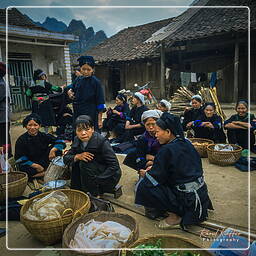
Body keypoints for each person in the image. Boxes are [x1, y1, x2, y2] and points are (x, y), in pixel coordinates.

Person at [135, 112, 213, 228]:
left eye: (157, 132)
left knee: (144, 185)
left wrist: (146, 173)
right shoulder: (185, 142)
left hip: (187, 198)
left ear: (168, 132)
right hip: (199, 193)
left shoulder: (166, 150)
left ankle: (174, 216)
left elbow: (156, 177)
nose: (155, 135)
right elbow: (180, 168)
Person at [63, 115, 121, 197]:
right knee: (76, 161)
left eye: (87, 129)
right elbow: (66, 158)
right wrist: (77, 156)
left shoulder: (102, 142)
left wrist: (97, 180)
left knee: (85, 163)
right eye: (79, 130)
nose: (83, 133)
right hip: (91, 173)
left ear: (92, 129)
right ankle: (78, 190)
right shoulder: (77, 140)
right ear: (75, 131)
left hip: (108, 177)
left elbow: (114, 166)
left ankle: (94, 195)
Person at [15, 114, 66, 178]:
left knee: (58, 151)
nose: (32, 128)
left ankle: (42, 172)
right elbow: (19, 158)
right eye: (30, 125)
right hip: (30, 164)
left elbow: (61, 142)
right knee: (22, 169)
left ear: (39, 126)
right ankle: (43, 173)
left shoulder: (43, 135)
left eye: (35, 125)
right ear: (25, 126)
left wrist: (53, 150)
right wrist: (36, 166)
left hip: (43, 160)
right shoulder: (21, 140)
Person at [67, 56, 106, 131]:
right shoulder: (78, 79)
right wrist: (70, 91)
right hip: (78, 112)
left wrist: (100, 120)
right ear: (80, 69)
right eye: (83, 69)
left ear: (92, 70)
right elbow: (71, 87)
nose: (85, 72)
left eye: (88, 69)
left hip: (91, 112)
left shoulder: (96, 82)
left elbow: (100, 101)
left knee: (90, 132)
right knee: (78, 131)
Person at [26, 69, 62, 133]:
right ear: (41, 76)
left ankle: (38, 132)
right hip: (46, 104)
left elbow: (28, 94)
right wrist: (61, 88)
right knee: (47, 117)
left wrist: (34, 97)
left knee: (37, 117)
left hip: (36, 104)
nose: (45, 76)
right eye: (43, 75)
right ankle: (47, 132)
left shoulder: (31, 85)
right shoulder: (45, 84)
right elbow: (56, 89)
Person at [0, 62, 12, 157]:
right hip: (3, 116)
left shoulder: (1, 84)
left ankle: (7, 156)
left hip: (2, 117)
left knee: (4, 138)